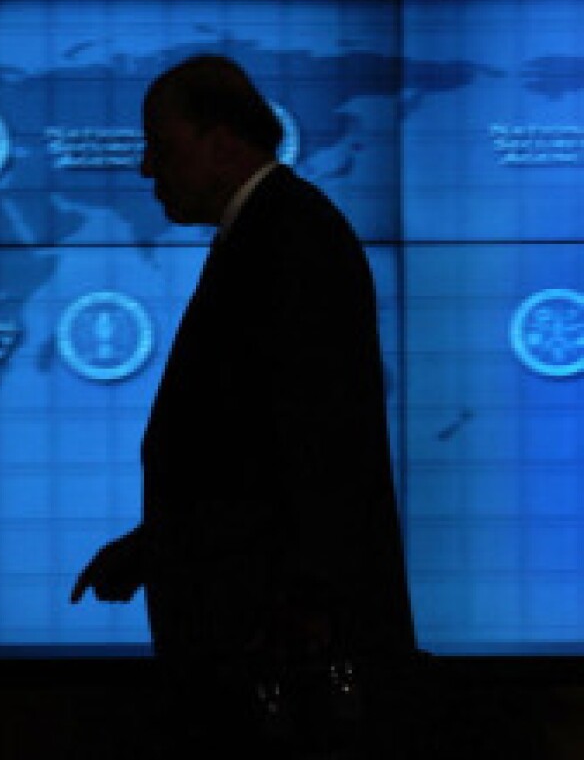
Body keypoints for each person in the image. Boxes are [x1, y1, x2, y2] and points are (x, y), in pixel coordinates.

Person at [71, 54, 416, 755]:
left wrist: (305, 599)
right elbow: (248, 448)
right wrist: (153, 546)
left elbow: (316, 443)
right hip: (255, 628)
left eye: (162, 146)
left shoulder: (290, 239)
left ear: (223, 141)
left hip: (271, 647)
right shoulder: (271, 232)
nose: (145, 168)